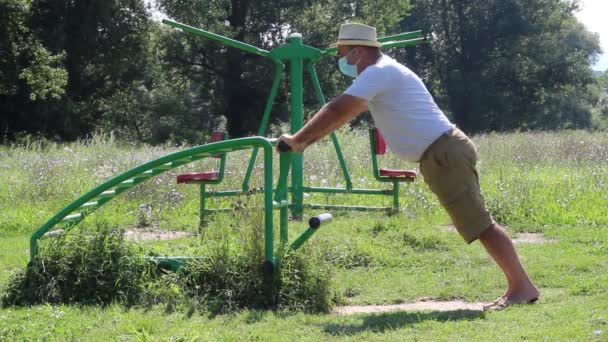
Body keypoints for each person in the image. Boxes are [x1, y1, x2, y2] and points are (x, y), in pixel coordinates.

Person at [277, 23, 539, 310]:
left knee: (480, 224)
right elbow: (344, 114)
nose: (343, 62)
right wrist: (305, 142)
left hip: (444, 153)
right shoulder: (381, 74)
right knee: (477, 222)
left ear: (359, 52)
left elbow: (338, 108)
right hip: (440, 154)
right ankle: (519, 286)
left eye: (344, 54)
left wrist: (298, 139)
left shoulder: (379, 72)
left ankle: (521, 287)